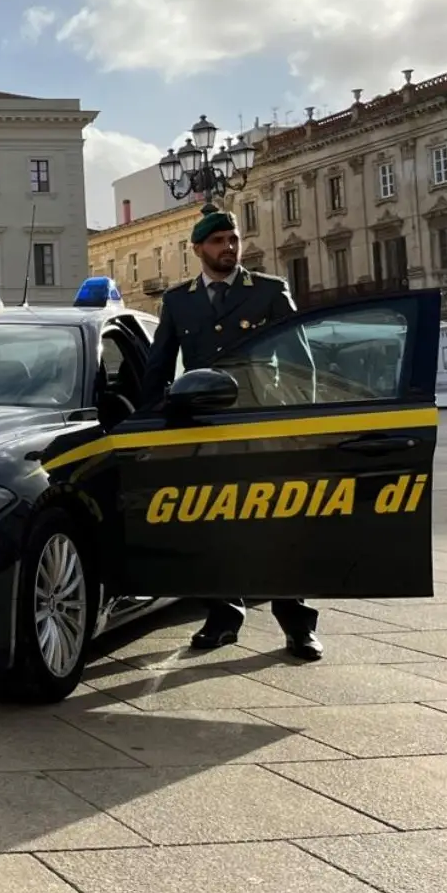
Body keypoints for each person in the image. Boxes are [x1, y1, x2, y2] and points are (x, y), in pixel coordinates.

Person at [140, 202, 323, 660]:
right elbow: (158, 365)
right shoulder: (179, 301)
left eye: (234, 240)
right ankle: (223, 616)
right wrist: (148, 423)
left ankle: (297, 624)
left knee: (279, 525)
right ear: (198, 248)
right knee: (214, 525)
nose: (229, 248)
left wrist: (309, 422)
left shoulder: (269, 291)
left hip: (263, 424)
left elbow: (303, 363)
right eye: (219, 241)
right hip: (205, 429)